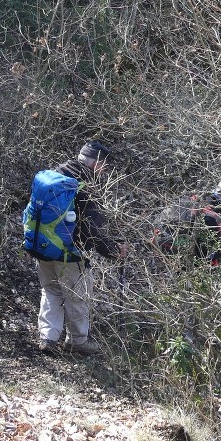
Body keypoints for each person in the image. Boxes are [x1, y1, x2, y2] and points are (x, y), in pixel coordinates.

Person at [35, 141, 128, 356]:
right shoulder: (87, 185)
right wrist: (113, 250)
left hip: (42, 244)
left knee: (50, 290)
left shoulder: (55, 175)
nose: (105, 170)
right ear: (95, 163)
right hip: (70, 251)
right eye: (104, 165)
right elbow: (91, 231)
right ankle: (77, 341)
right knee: (77, 294)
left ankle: (48, 338)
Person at [152, 175, 221, 267]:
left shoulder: (200, 196)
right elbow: (202, 255)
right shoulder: (213, 216)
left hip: (156, 236)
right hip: (170, 248)